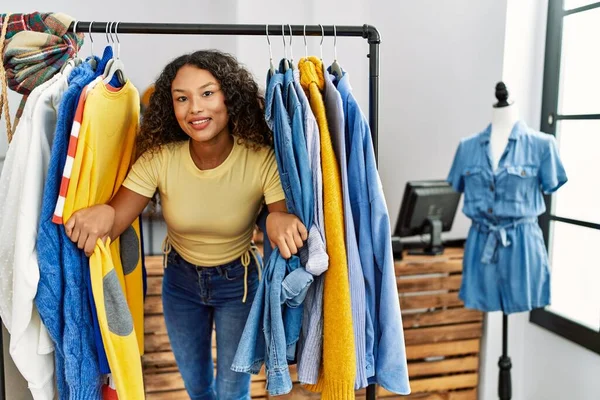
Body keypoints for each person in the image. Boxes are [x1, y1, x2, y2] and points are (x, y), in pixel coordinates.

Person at [64, 50, 307, 400]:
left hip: (237, 286)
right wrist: (99, 215)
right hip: (180, 283)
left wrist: (279, 220)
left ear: (230, 96)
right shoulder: (159, 159)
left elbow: (276, 216)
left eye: (207, 93)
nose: (194, 108)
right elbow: (116, 217)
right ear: (171, 106)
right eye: (182, 98)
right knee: (197, 389)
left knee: (231, 393)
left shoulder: (260, 159)